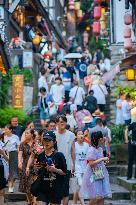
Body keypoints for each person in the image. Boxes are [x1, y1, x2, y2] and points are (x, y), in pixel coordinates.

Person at [26, 131, 67, 205]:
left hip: (55, 188)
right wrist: (36, 168)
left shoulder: (59, 155)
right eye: (44, 140)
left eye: (49, 140)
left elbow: (64, 172)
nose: (46, 142)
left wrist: (55, 170)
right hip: (43, 188)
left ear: (54, 142)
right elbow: (38, 172)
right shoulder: (40, 155)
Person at [79, 131, 112, 205]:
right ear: (100, 139)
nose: (103, 140)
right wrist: (102, 159)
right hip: (93, 174)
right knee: (96, 197)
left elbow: (99, 160)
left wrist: (104, 162)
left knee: (101, 196)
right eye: (102, 139)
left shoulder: (100, 149)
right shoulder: (92, 150)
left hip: (99, 173)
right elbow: (91, 163)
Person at [55, 115, 75, 205]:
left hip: (66, 165)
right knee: (55, 190)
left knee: (65, 190)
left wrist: (74, 164)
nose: (62, 123)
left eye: (64, 121)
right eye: (60, 121)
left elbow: (73, 151)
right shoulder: (53, 135)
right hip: (54, 166)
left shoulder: (71, 135)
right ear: (56, 123)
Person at [18, 129, 35, 204]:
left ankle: (34, 201)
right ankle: (29, 201)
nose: (26, 135)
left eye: (27, 133)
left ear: (32, 134)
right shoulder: (22, 144)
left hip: (35, 166)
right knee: (27, 185)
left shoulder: (36, 143)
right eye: (25, 133)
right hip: (25, 166)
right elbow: (20, 154)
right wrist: (19, 162)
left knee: (33, 184)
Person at [73, 130, 89, 205]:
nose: (81, 135)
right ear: (76, 136)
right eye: (79, 134)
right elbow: (71, 157)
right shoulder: (74, 145)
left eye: (82, 134)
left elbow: (89, 157)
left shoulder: (86, 145)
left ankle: (74, 203)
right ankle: (83, 203)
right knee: (80, 185)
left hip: (85, 169)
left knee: (77, 188)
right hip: (77, 168)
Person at [4, 124, 20, 193]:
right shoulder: (3, 137)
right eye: (4, 129)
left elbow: (18, 146)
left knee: (12, 171)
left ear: (10, 130)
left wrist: (19, 155)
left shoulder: (15, 137)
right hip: (4, 154)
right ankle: (7, 183)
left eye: (6, 129)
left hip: (13, 154)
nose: (5, 130)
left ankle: (11, 186)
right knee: (6, 170)